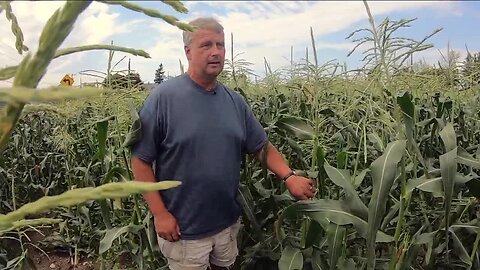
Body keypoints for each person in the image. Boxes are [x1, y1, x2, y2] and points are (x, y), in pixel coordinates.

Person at [130, 17, 316, 270]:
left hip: (227, 223)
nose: (216, 52)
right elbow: (140, 161)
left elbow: (260, 146)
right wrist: (160, 215)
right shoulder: (163, 99)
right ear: (188, 51)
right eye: (206, 45)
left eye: (220, 45)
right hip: (185, 230)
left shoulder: (234, 101)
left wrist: (289, 176)